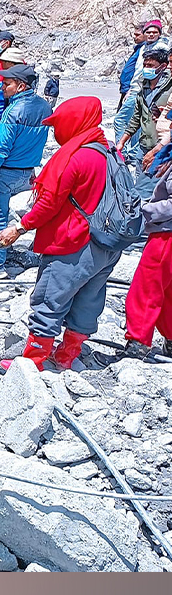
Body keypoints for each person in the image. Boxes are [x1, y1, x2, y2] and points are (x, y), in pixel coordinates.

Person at [0, 97, 121, 371]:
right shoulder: (109, 151)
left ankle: (33, 361)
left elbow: (49, 202)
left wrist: (20, 227)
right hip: (107, 242)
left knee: (49, 299)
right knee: (90, 297)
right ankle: (67, 355)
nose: (55, 132)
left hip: (75, 243)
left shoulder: (76, 157)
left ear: (73, 123)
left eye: (58, 125)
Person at [0, 64, 53, 278]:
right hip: (27, 171)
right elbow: (39, 142)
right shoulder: (44, 107)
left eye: (7, 84)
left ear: (21, 86)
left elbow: (1, 149)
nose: (2, 87)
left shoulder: (13, 111)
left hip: (3, 172)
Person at [125, 155, 172, 357]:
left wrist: (144, 210)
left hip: (167, 233)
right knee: (166, 289)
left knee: (146, 287)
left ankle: (137, 342)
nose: (156, 121)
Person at [117, 48, 172, 199]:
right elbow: (136, 118)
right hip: (144, 146)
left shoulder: (169, 88)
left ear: (163, 66)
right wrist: (122, 142)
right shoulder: (144, 86)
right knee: (140, 187)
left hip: (161, 147)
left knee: (148, 192)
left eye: (151, 65)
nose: (147, 69)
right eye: (145, 65)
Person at [115, 20, 168, 149]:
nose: (151, 35)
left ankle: (125, 151)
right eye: (148, 32)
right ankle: (132, 151)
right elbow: (138, 70)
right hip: (135, 89)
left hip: (143, 89)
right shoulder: (144, 47)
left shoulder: (160, 47)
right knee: (140, 121)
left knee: (121, 120)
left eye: (154, 32)